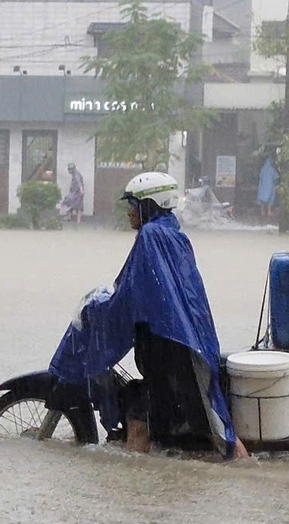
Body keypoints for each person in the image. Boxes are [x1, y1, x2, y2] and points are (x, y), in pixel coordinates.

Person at [48, 171, 250, 460]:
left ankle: (246, 470)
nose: (130, 212)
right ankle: (142, 472)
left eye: (134, 205)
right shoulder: (170, 232)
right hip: (175, 345)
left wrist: (100, 308)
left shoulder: (152, 236)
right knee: (145, 407)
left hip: (177, 350)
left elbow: (136, 292)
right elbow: (146, 289)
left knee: (214, 426)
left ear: (150, 204)